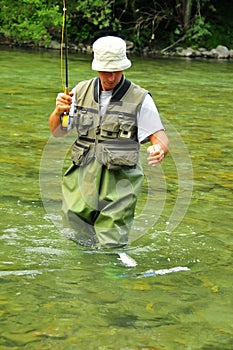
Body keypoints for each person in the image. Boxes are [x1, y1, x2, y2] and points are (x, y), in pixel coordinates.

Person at [49, 36, 169, 248]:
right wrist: (58, 112)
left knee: (111, 243)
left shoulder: (140, 98)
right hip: (81, 178)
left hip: (120, 182)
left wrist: (159, 148)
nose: (111, 77)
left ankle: (113, 279)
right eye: (106, 70)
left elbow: (158, 135)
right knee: (76, 238)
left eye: (116, 70)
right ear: (96, 67)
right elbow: (58, 132)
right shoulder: (79, 92)